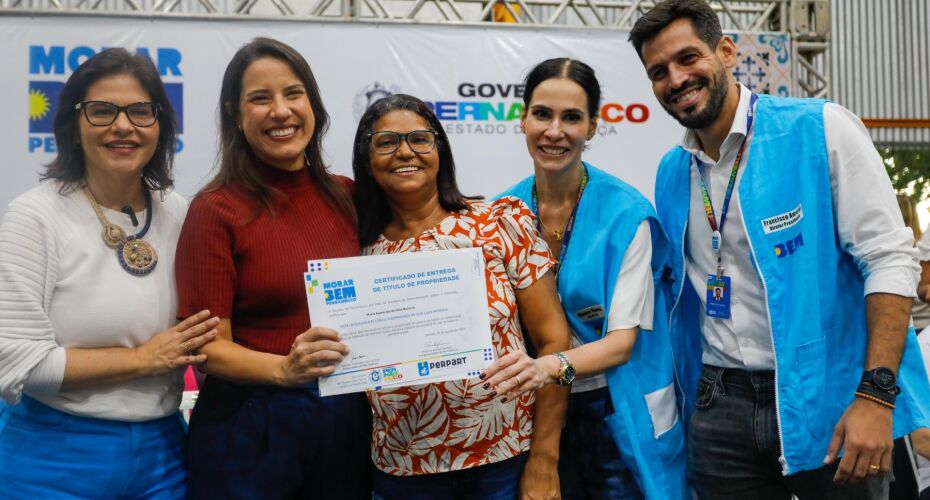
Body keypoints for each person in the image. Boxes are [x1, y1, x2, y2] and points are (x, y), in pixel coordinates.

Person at [629, 0, 930, 498]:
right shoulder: (671, 172)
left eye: (688, 58)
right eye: (658, 71)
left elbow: (889, 258)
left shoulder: (820, 129)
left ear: (726, 51)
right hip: (718, 404)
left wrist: (877, 394)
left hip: (832, 397)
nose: (676, 79)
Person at [0, 48, 217, 498]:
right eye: (102, 111)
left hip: (166, 455)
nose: (123, 125)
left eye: (140, 111)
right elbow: (12, 358)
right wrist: (143, 360)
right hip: (51, 459)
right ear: (74, 128)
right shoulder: (34, 216)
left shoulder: (181, 214)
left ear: (160, 126)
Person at [480, 58, 687, 499]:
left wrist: (546, 366)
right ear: (522, 120)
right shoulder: (499, 214)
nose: (554, 131)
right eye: (542, 114)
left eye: (571, 117)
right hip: (530, 408)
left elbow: (621, 343)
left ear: (592, 127)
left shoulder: (628, 215)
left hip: (612, 405)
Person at [174, 38, 370, 498]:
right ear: (235, 115)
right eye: (260, 98)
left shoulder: (350, 196)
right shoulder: (215, 210)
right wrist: (286, 369)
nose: (281, 111)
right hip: (250, 429)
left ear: (314, 105)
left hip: (346, 422)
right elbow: (207, 350)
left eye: (293, 93)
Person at [352, 93, 571, 500]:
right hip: (402, 473)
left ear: (440, 150)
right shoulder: (354, 250)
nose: (405, 151)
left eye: (420, 138)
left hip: (504, 462)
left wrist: (545, 458)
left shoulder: (498, 222)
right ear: (366, 159)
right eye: (386, 142)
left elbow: (555, 343)